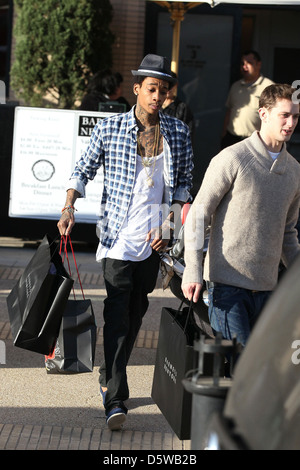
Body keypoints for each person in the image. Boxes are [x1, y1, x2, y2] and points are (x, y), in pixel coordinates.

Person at [57, 54, 194, 430]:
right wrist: (69, 206)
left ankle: (108, 373)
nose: (158, 96)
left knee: (136, 313)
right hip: (117, 238)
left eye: (163, 91)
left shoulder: (178, 133)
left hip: (156, 240)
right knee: (117, 316)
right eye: (152, 89)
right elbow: (81, 169)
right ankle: (116, 399)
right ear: (137, 89)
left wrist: (169, 222)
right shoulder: (111, 128)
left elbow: (184, 184)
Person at [182, 83, 300, 348]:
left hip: (268, 289)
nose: (291, 123)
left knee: (252, 375)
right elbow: (198, 215)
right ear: (264, 113)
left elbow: (288, 233)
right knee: (240, 367)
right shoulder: (232, 158)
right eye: (285, 115)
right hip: (227, 287)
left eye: (295, 116)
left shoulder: (294, 172)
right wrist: (193, 270)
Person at [221, 50, 274, 148]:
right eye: (242, 63)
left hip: (254, 141)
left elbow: (274, 116)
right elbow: (229, 111)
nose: (244, 66)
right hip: (231, 139)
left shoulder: (269, 87)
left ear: (258, 64)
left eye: (249, 63)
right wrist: (224, 134)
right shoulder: (236, 86)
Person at [162, 71, 194, 139]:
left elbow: (188, 134)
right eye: (166, 85)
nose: (168, 89)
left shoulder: (182, 108)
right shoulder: (154, 106)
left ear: (176, 85)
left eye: (171, 85)